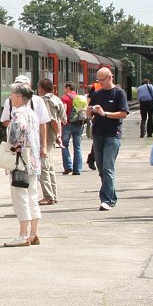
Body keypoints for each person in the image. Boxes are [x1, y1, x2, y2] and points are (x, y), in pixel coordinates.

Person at [4, 83, 42, 246]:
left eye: (12, 94)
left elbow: (17, 132)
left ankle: (22, 235)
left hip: (21, 161)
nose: (10, 97)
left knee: (20, 197)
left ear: (19, 97)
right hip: (33, 160)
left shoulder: (18, 113)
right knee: (32, 196)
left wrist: (13, 145)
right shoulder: (32, 113)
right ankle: (34, 233)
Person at [88, 67, 129, 211]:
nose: (100, 83)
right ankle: (111, 196)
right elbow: (89, 114)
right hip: (98, 134)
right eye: (98, 80)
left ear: (110, 77)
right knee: (101, 169)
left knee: (108, 168)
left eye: (102, 80)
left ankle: (106, 200)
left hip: (112, 135)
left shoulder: (119, 93)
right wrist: (90, 111)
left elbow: (124, 113)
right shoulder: (98, 93)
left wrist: (105, 113)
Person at [36, 78, 65, 205]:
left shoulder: (46, 101)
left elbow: (52, 120)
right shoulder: (57, 99)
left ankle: (48, 196)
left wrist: (58, 135)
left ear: (41, 88)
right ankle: (54, 194)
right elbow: (62, 119)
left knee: (44, 167)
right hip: (50, 137)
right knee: (50, 166)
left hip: (46, 137)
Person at [60, 82, 85, 175]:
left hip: (67, 125)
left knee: (64, 145)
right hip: (78, 124)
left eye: (65, 88)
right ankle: (77, 169)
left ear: (68, 88)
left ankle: (68, 167)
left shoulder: (65, 98)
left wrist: (62, 122)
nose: (64, 90)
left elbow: (64, 110)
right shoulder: (79, 98)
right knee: (77, 147)